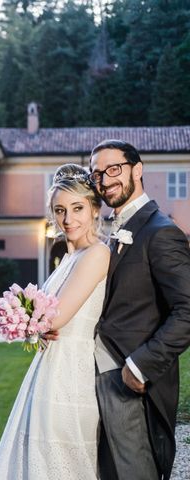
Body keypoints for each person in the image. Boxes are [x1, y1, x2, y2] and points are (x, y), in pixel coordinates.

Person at [0, 164, 110, 479]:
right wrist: (35, 327)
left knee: (64, 455)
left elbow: (58, 316)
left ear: (95, 209)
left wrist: (24, 316)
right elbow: (48, 321)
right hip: (49, 368)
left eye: (77, 208)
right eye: (60, 210)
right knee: (37, 455)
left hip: (71, 371)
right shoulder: (67, 258)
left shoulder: (97, 254)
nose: (68, 219)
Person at [85, 140, 190, 480]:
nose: (104, 180)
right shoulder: (107, 232)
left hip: (127, 378)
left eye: (113, 169)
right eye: (97, 173)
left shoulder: (161, 232)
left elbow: (188, 310)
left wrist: (140, 365)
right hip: (91, 375)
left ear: (138, 169)